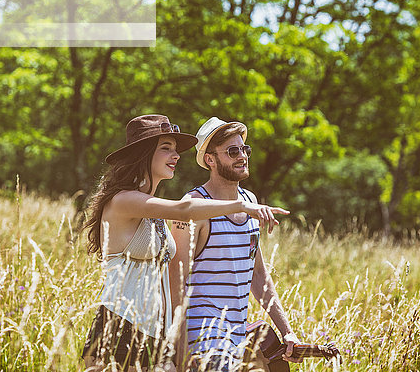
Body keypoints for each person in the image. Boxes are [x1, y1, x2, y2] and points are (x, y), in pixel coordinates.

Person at [81, 115, 289, 372]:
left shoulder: (150, 206)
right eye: (166, 148)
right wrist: (241, 205)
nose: (176, 155)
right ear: (144, 155)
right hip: (119, 327)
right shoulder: (123, 201)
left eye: (176, 150)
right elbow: (184, 209)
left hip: (154, 333)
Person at [169, 117, 302, 371]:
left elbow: (258, 275)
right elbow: (175, 279)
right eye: (233, 151)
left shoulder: (250, 200)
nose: (242, 156)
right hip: (202, 343)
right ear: (210, 160)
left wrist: (287, 333)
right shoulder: (195, 205)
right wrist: (181, 349)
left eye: (244, 149)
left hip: (237, 343)